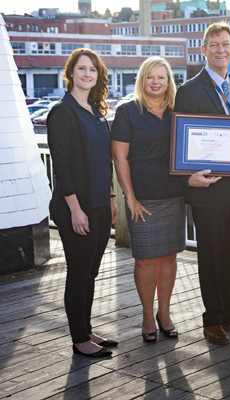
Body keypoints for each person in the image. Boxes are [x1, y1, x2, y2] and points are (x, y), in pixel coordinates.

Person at [173, 21, 230, 345]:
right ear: (204, 50)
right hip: (208, 188)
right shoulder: (189, 90)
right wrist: (188, 178)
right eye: (214, 45)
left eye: (226, 44)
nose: (220, 50)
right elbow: (179, 142)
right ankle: (212, 319)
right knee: (210, 255)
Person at [47, 48, 119, 358]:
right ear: (71, 73)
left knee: (91, 272)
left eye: (92, 70)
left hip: (102, 205)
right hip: (76, 207)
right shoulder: (62, 113)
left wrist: (113, 199)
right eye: (81, 69)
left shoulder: (97, 112)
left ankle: (87, 329)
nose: (87, 74)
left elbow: (106, 161)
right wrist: (75, 209)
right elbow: (61, 166)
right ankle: (79, 340)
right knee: (78, 272)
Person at [111, 57, 185, 342]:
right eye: (150, 77)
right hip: (141, 198)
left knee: (169, 257)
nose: (156, 82)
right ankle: (146, 314)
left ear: (169, 82)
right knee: (144, 260)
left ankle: (164, 314)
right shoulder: (128, 112)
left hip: (174, 194)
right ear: (142, 80)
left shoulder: (178, 112)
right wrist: (129, 198)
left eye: (161, 77)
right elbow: (120, 157)